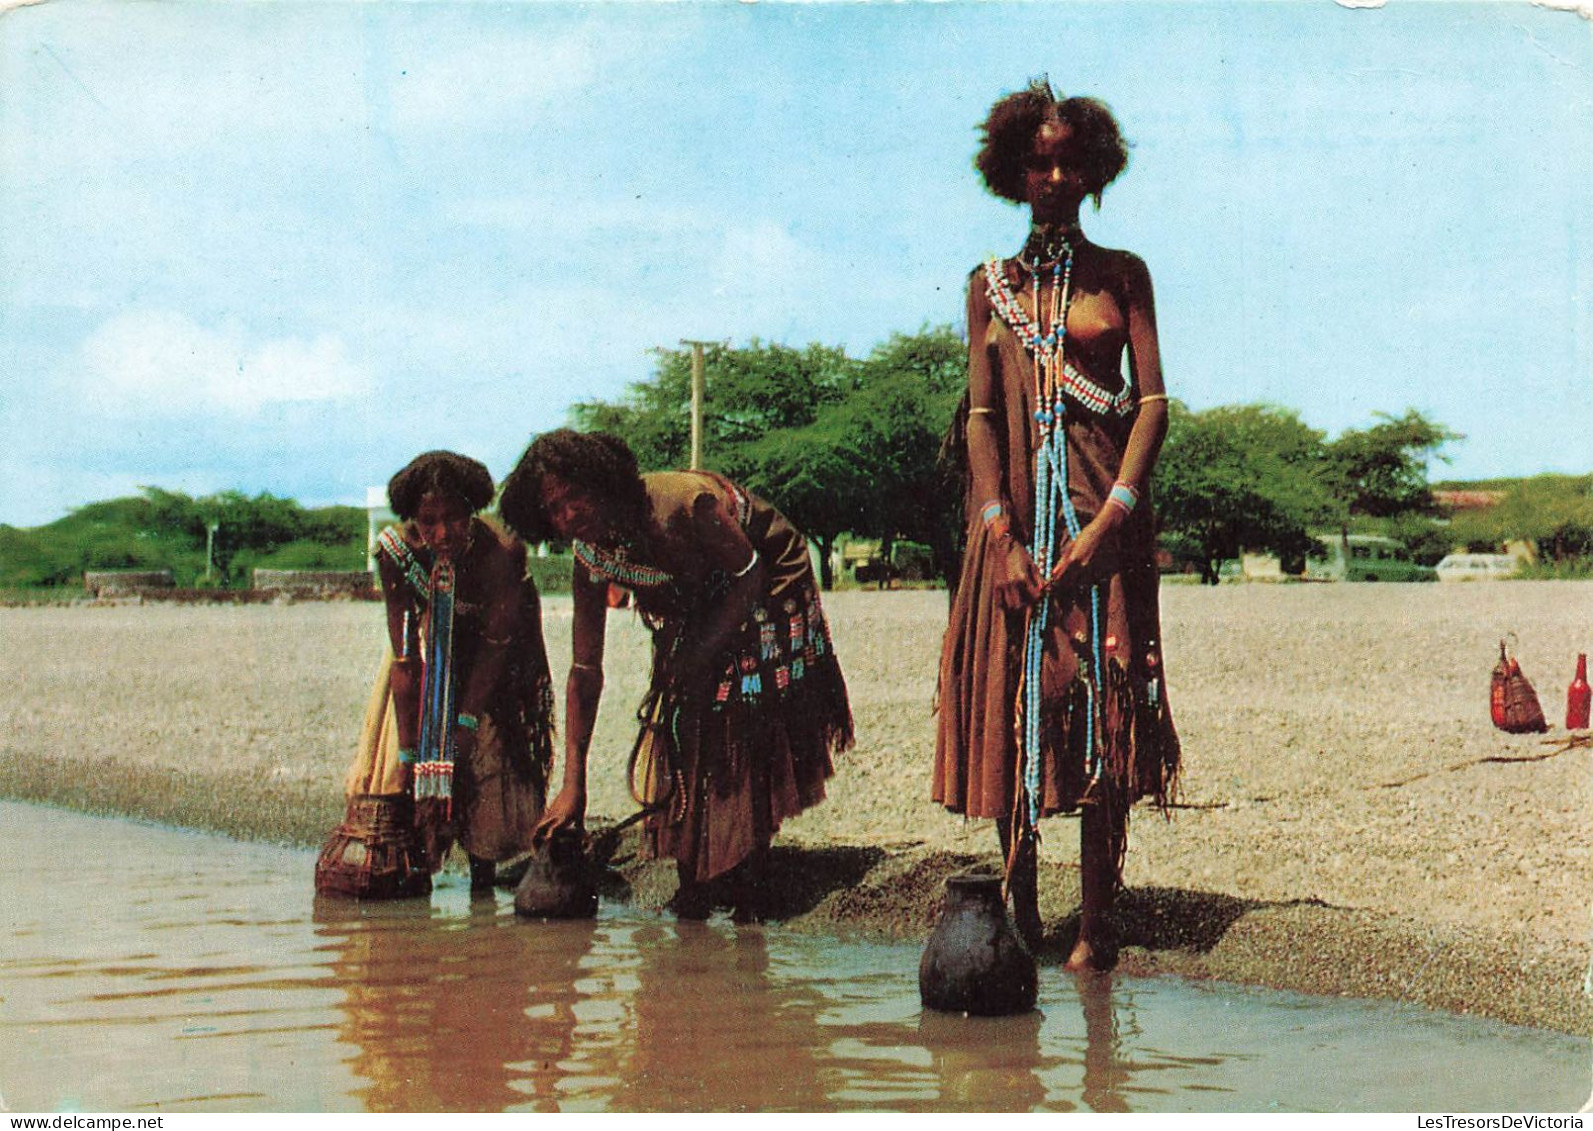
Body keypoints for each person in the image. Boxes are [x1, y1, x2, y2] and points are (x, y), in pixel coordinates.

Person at [935, 81, 1180, 969]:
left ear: (1092, 170)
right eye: (1037, 160)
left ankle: (1094, 925)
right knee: (1021, 698)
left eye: (1068, 159)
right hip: (1013, 541)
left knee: (1103, 709)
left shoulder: (1123, 275)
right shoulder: (987, 288)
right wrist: (997, 532)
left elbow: (1152, 404)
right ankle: (1021, 910)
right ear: (1012, 170)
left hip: (1101, 529)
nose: (1053, 174)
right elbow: (979, 418)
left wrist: (1110, 518)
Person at [498, 429, 852, 920]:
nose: (568, 516)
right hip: (692, 603)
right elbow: (585, 668)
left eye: (575, 497)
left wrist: (701, 652)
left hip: (764, 582)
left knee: (736, 714)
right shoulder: (590, 554)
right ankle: (696, 878)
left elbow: (749, 574)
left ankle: (749, 874)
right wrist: (572, 784)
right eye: (554, 510)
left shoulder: (686, 505)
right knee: (679, 717)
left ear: (601, 483)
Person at [344, 450, 553, 893]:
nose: (442, 533)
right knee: (404, 765)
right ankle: (414, 861)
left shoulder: (503, 552)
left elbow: (497, 648)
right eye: (428, 521)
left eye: (454, 518)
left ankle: (484, 875)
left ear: (473, 512)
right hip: (429, 652)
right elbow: (404, 658)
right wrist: (407, 752)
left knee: (486, 754)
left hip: (502, 658)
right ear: (412, 520)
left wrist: (464, 722)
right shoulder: (396, 553)